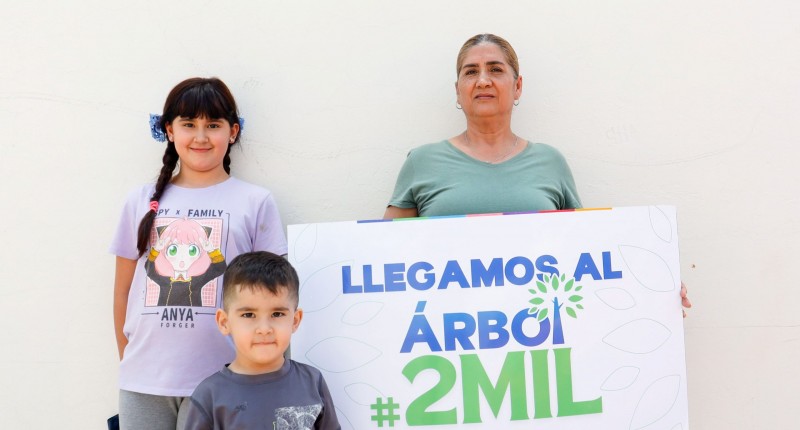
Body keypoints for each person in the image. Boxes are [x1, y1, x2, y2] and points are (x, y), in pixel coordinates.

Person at [384, 33, 692, 313]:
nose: (483, 80)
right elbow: (383, 258)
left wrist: (650, 290)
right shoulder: (422, 162)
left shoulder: (550, 162)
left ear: (517, 86)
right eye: (471, 72)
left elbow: (588, 258)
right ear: (458, 90)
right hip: (446, 334)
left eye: (495, 69)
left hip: (538, 334)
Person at [110, 77, 288, 430]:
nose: (201, 137)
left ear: (233, 132)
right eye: (189, 124)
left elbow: (274, 295)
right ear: (169, 130)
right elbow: (123, 290)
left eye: (213, 125)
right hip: (144, 380)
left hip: (226, 378)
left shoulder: (255, 201)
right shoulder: (139, 200)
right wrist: (128, 358)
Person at [183, 252, 340, 429]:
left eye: (277, 314)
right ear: (224, 322)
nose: (264, 329)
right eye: (249, 315)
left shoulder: (312, 382)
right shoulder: (209, 396)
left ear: (295, 321)